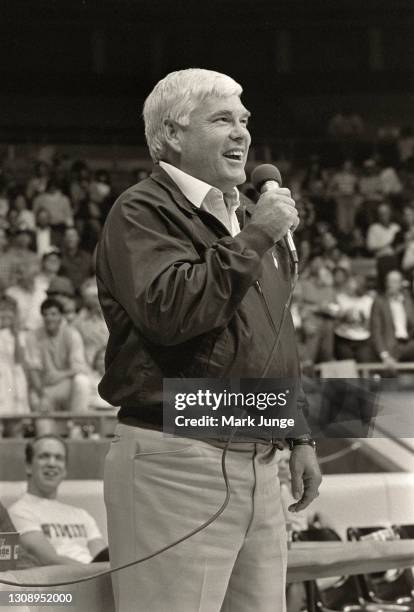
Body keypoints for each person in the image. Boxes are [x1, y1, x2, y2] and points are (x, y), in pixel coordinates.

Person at [96, 68, 321, 612]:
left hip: (261, 464)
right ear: (172, 134)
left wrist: (299, 434)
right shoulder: (142, 210)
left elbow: (272, 335)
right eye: (223, 119)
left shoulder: (245, 216)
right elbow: (171, 310)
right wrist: (258, 236)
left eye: (244, 120)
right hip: (177, 459)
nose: (242, 132)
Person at [8, 435, 107, 565]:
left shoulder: (82, 515)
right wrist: (97, 574)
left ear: (65, 470)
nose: (52, 463)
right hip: (62, 581)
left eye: (59, 458)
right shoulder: (18, 512)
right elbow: (49, 559)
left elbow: (103, 558)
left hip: (95, 578)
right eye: (44, 456)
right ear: (28, 466)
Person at [25, 298, 90, 431]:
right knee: (40, 410)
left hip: (65, 385)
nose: (49, 318)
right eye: (46, 314)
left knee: (82, 381)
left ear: (61, 316)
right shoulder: (33, 336)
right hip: (43, 388)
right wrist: (42, 395)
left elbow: (79, 367)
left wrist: (60, 375)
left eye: (53, 314)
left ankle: (76, 427)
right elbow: (33, 370)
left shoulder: (72, 334)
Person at [370, 269, 414, 369]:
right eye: (388, 281)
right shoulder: (379, 302)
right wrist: (384, 355)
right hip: (390, 346)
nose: (390, 284)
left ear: (401, 284)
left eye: (394, 281)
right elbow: (376, 331)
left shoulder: (408, 301)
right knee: (390, 371)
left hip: (408, 344)